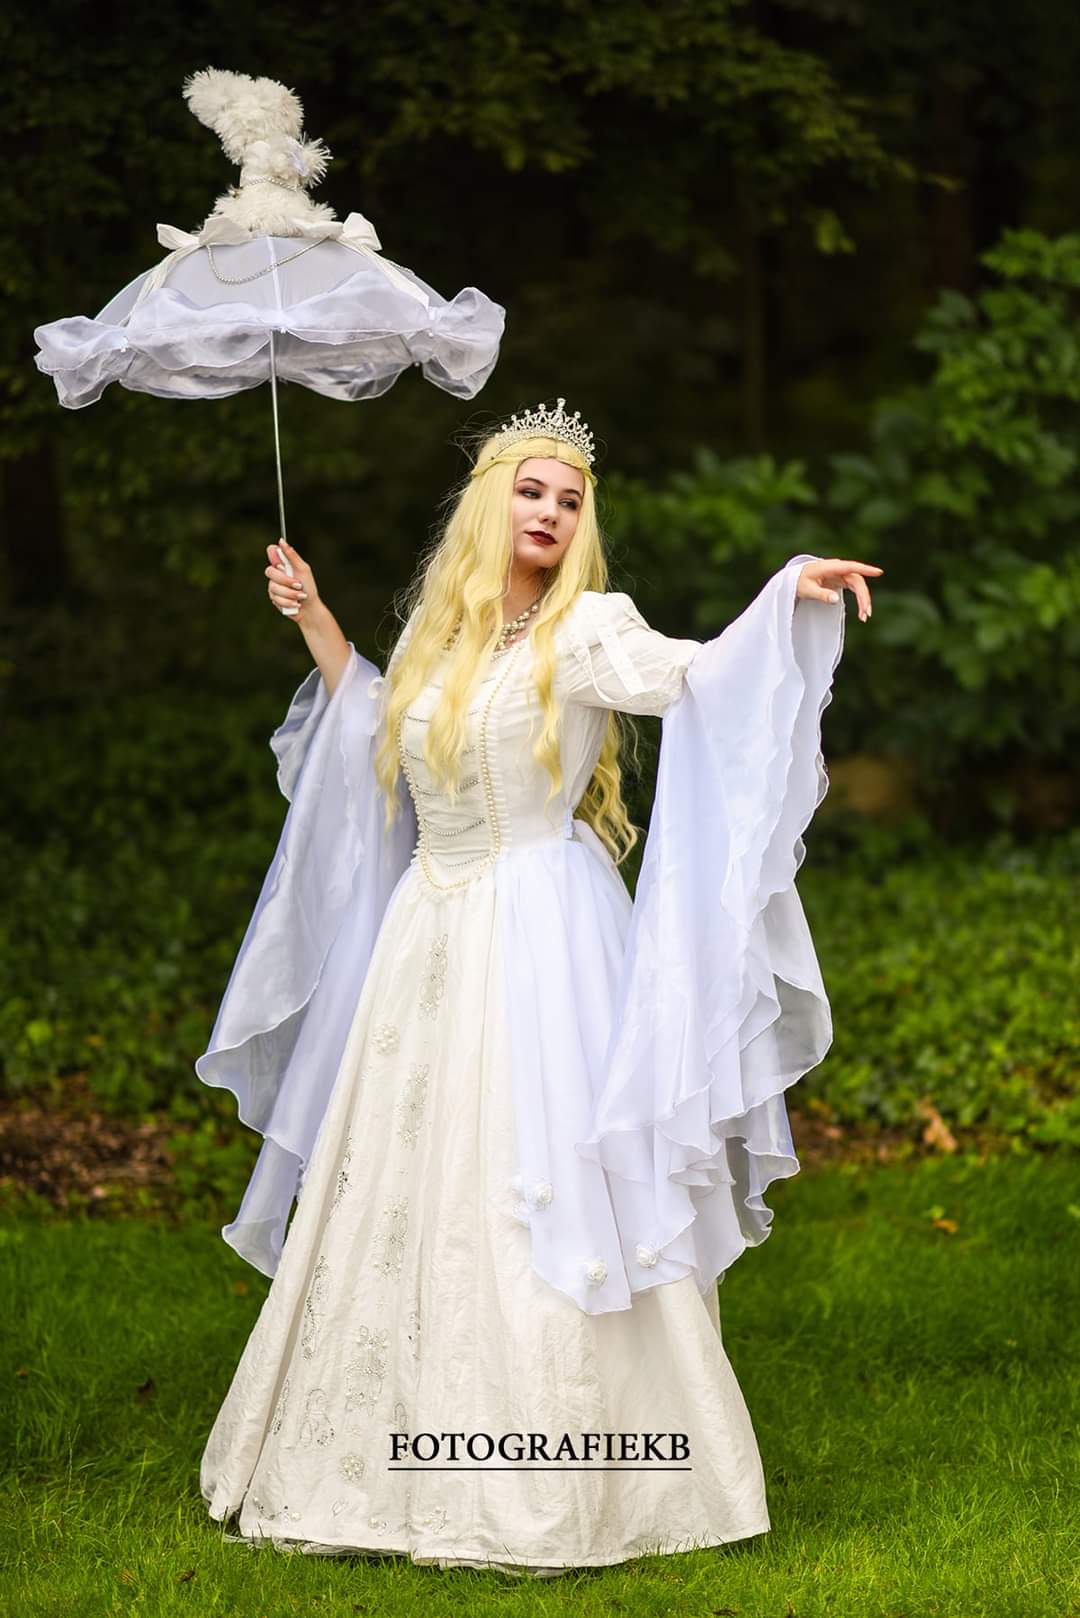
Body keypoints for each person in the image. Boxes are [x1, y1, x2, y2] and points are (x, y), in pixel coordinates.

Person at [196, 399, 881, 1574]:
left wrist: (785, 598)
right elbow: (379, 723)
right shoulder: (439, 635)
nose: (552, 512)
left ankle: (562, 1474)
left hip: (543, 936)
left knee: (540, 1175)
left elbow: (698, 677)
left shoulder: (590, 630)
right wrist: (313, 618)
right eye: (531, 490)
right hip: (428, 937)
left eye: (570, 499)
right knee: (407, 1183)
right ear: (489, 502)